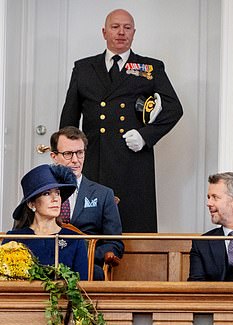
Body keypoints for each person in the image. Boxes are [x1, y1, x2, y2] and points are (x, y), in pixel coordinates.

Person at [59, 8, 183, 233]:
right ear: (104, 32)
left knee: (133, 223)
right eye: (115, 27)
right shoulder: (84, 68)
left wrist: (146, 136)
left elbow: (174, 108)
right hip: (94, 157)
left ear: (134, 33)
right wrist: (66, 155)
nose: (121, 33)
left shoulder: (149, 67)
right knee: (89, 224)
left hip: (133, 160)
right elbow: (70, 116)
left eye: (127, 28)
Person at [49, 126, 123, 280]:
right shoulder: (40, 192)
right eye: (68, 154)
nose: (75, 160)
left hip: (86, 267)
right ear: (54, 156)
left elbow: (115, 243)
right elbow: (23, 232)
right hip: (46, 263)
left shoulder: (103, 194)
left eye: (80, 153)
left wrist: (82, 253)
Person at [6, 164, 88, 280]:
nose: (55, 198)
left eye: (58, 193)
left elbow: (83, 286)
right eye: (47, 193)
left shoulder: (74, 240)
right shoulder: (14, 239)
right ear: (31, 204)